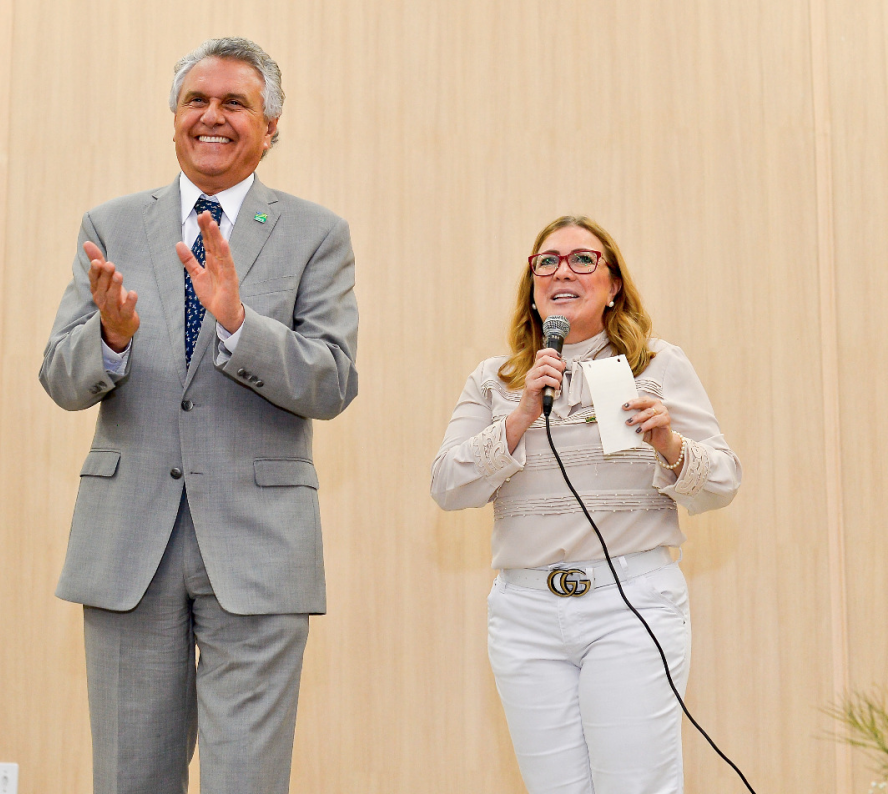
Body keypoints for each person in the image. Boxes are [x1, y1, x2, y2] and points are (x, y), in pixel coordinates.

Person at [39, 37, 358, 794]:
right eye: (196, 101)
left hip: (258, 544)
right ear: (175, 117)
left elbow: (333, 381)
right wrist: (110, 338)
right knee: (130, 775)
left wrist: (243, 326)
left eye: (234, 104)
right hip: (127, 541)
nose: (212, 117)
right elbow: (59, 374)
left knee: (246, 777)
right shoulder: (112, 223)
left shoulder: (317, 233)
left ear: (271, 127)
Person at [430, 216, 740, 793]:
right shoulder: (496, 380)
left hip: (629, 604)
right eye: (546, 261)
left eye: (582, 259)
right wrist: (518, 417)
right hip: (525, 614)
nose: (562, 271)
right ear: (532, 281)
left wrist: (668, 444)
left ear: (614, 282)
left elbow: (722, 483)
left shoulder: (657, 366)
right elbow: (447, 486)